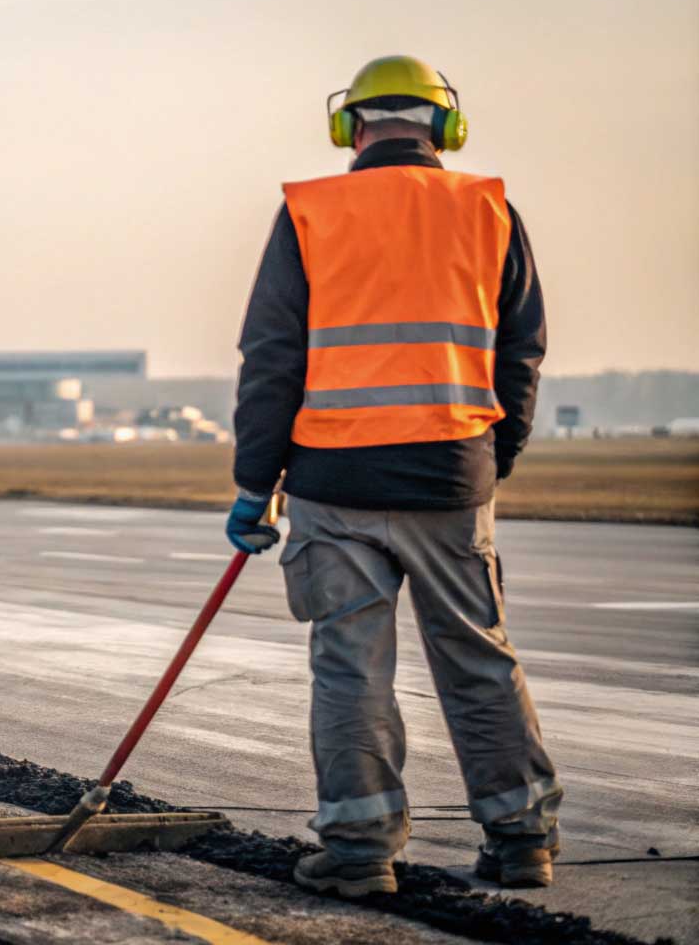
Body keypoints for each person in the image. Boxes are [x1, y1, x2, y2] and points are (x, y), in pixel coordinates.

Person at [229, 56, 559, 897]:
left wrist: (251, 481)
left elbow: (272, 357)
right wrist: (492, 460)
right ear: (446, 128)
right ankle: (523, 841)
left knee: (350, 670)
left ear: (352, 126)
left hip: (333, 483)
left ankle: (360, 853)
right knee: (480, 662)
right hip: (453, 476)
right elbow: (520, 353)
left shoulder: (311, 211)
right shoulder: (488, 209)